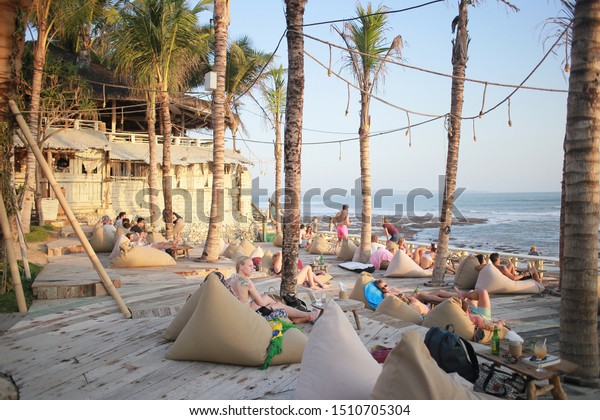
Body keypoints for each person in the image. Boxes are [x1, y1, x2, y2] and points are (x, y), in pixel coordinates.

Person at [227, 256, 318, 324]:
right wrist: (266, 299)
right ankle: (307, 315)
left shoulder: (230, 279)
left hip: (241, 310)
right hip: (250, 314)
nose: (253, 268)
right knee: (278, 304)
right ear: (241, 267)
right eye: (250, 266)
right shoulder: (246, 282)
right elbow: (261, 303)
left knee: (268, 298)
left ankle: (296, 318)